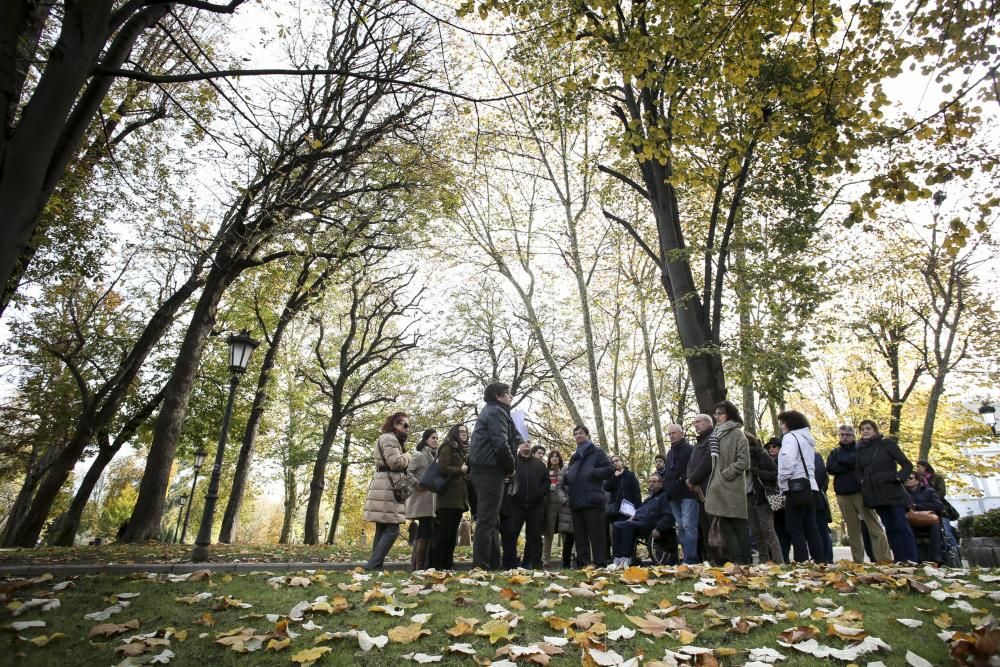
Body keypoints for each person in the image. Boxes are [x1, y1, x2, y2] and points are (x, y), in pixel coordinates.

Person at [468, 382, 519, 570]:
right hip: (490, 471)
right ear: (499, 395)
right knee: (486, 521)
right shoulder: (497, 412)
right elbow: (500, 443)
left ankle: (493, 565)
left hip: (485, 470)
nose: (511, 396)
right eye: (508, 393)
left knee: (491, 520)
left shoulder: (490, 411)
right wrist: (511, 466)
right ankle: (480, 567)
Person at [825, 424, 892, 563]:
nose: (844, 437)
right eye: (842, 434)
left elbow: (860, 463)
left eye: (847, 435)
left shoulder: (860, 448)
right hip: (842, 494)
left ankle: (884, 559)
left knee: (873, 525)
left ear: (853, 436)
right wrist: (847, 463)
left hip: (861, 492)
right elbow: (830, 468)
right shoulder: (835, 452)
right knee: (852, 529)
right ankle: (858, 561)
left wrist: (843, 463)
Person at [856, 419, 918, 562]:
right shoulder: (860, 449)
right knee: (889, 527)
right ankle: (898, 558)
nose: (865, 431)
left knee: (901, 525)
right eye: (862, 429)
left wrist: (898, 478)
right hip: (876, 494)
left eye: (868, 428)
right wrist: (863, 481)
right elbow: (858, 471)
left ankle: (910, 558)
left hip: (892, 490)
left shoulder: (887, 444)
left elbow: (906, 464)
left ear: (875, 430)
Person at [704, 401, 752, 565]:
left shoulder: (738, 434)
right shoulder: (717, 434)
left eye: (720, 413)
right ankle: (736, 560)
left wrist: (726, 474)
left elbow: (744, 461)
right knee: (725, 524)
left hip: (732, 486)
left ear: (729, 414)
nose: (716, 417)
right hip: (719, 487)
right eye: (715, 413)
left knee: (738, 524)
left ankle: (746, 561)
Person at [560, 425, 614, 567]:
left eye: (581, 433)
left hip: (593, 500)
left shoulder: (597, 452)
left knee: (597, 535)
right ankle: (583, 564)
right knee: (580, 536)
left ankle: (600, 564)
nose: (578, 436)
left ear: (587, 435)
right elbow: (570, 473)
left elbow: (610, 469)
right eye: (576, 434)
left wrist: (593, 472)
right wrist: (567, 478)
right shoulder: (574, 457)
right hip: (576, 501)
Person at [776, 410, 826, 563]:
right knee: (811, 527)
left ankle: (801, 561)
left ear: (790, 423)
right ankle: (819, 560)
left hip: (795, 487)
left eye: (783, 423)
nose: (781, 426)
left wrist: (781, 481)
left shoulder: (790, 438)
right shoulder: (807, 440)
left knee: (794, 527)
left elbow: (788, 461)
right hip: (810, 487)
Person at [363, 411, 412, 570]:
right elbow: (396, 463)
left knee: (383, 528)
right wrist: (408, 456)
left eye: (408, 425)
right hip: (388, 486)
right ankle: (373, 565)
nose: (406, 428)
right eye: (403, 424)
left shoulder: (386, 438)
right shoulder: (390, 438)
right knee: (393, 529)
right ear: (394, 424)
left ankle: (375, 566)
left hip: (383, 483)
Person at [502, 440, 550, 569]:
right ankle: (509, 564)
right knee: (511, 535)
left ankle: (534, 564)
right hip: (515, 506)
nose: (526, 445)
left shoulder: (539, 464)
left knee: (535, 537)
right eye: (523, 443)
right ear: (518, 446)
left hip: (535, 506)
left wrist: (539, 493)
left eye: (528, 442)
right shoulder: (512, 462)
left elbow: (546, 482)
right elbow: (504, 480)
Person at [610, 473, 668, 568]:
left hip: (650, 524)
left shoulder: (664, 497)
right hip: (638, 521)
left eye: (654, 481)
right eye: (650, 482)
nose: (651, 483)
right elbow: (640, 510)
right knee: (617, 525)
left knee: (627, 525)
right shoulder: (649, 499)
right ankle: (617, 557)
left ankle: (626, 557)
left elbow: (666, 514)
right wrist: (633, 517)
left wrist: (659, 527)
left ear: (661, 484)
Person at [433, 424, 469, 570]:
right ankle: (438, 565)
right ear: (455, 433)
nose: (464, 434)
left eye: (466, 432)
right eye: (461, 431)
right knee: (445, 533)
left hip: (458, 499)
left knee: (452, 534)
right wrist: (460, 470)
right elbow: (443, 467)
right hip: (447, 498)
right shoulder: (447, 446)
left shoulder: (461, 450)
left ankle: (448, 564)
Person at [663, 424, 698, 564]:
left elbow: (693, 469)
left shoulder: (690, 449)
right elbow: (668, 473)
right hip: (673, 495)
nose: (671, 436)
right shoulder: (670, 453)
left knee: (689, 526)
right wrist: (666, 486)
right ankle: (686, 557)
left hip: (687, 493)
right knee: (681, 527)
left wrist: (682, 479)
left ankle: (691, 559)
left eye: (674, 433)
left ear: (682, 433)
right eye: (669, 434)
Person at [747, 433, 784, 564]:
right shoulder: (738, 457)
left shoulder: (760, 454)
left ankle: (779, 561)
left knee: (768, 530)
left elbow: (775, 473)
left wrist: (757, 472)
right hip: (748, 497)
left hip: (762, 497)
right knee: (756, 531)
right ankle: (764, 560)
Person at [405, 428, 439, 571]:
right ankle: (419, 566)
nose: (436, 440)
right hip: (421, 498)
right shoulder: (419, 455)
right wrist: (417, 485)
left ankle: (417, 565)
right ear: (426, 439)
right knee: (425, 531)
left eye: (437, 438)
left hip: (431, 500)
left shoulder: (435, 457)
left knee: (426, 531)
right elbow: (407, 472)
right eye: (433, 438)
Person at [686, 413, 715, 562]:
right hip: (698, 491)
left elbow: (707, 461)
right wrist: (689, 479)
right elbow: (691, 464)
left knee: (713, 526)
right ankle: (710, 558)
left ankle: (721, 559)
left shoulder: (712, 438)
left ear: (708, 423)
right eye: (694, 423)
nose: (696, 425)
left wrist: (693, 479)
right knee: (704, 527)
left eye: (698, 422)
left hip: (709, 488)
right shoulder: (698, 442)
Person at [605, 454, 641, 559]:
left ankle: (629, 556)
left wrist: (638, 509)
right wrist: (614, 477)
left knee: (628, 532)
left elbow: (636, 492)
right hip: (616, 511)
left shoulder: (630, 475)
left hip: (629, 510)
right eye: (612, 462)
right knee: (616, 533)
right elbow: (606, 487)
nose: (615, 463)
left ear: (622, 462)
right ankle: (616, 556)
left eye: (617, 460)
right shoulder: (612, 476)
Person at [904, 471, 944, 564]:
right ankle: (914, 559)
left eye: (910, 478)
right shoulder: (902, 493)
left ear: (917, 480)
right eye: (906, 478)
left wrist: (917, 506)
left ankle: (936, 559)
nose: (907, 480)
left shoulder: (929, 491)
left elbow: (939, 505)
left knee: (935, 527)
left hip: (928, 520)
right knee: (906, 528)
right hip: (911, 521)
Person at [552, 458, 576, 568]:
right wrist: (565, 500)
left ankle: (581, 561)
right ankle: (566, 562)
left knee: (581, 535)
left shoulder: (586, 468)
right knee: (569, 535)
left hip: (582, 505)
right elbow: (558, 487)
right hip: (568, 506)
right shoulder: (566, 469)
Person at [542, 450, 565, 565]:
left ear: (560, 459)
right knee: (548, 532)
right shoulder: (545, 472)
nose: (555, 458)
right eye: (552, 456)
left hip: (563, 505)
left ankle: (568, 557)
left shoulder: (564, 471)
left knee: (565, 531)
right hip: (550, 505)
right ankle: (546, 559)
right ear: (549, 459)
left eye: (557, 456)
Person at [813, 450, 834, 562]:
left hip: (816, 498)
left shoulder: (815, 456)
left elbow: (821, 477)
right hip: (812, 497)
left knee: (822, 529)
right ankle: (819, 557)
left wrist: (814, 490)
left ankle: (826, 558)